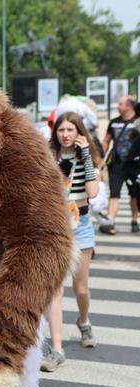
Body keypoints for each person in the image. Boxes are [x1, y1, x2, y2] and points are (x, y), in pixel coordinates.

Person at [42, 112, 100, 372]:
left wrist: (86, 155)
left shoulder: (87, 158)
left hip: (82, 228)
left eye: (70, 129)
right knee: (54, 291)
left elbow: (93, 192)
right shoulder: (49, 157)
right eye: (61, 130)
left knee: (81, 289)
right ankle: (57, 349)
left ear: (79, 133)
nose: (65, 134)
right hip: (57, 228)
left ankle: (84, 321)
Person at [100, 96, 138, 234]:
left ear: (129, 106)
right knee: (114, 193)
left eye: (121, 103)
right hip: (116, 164)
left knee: (134, 194)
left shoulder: (137, 121)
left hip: (134, 165)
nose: (117, 106)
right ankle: (110, 221)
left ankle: (134, 220)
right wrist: (100, 158)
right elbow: (106, 140)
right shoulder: (114, 122)